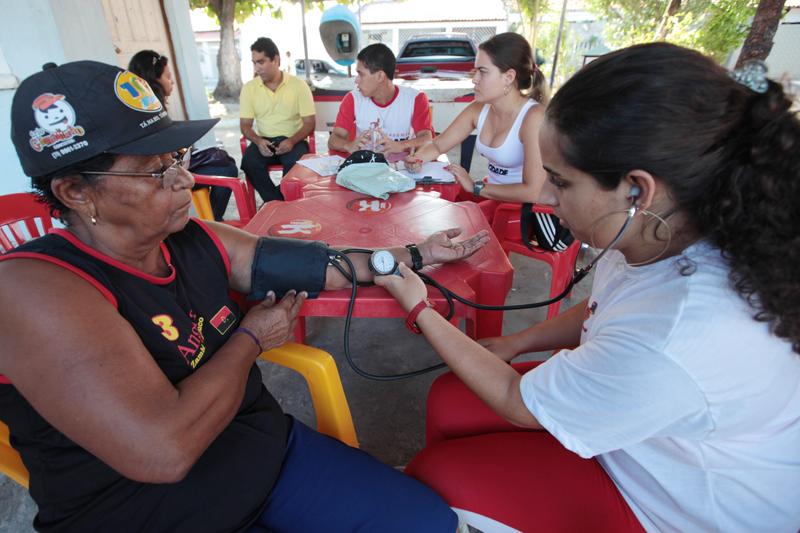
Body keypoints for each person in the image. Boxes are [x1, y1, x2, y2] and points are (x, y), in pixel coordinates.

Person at [1, 60, 491, 532]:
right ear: (75, 191)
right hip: (141, 510)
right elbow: (164, 450)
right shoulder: (32, 289)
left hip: (258, 453)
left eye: (176, 158)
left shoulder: (192, 238)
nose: (184, 180)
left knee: (431, 523)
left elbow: (324, 265)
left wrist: (415, 253)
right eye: (155, 171)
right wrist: (251, 339)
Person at [375, 43, 800, 531]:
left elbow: (517, 400)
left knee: (438, 473)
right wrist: (518, 340)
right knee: (449, 398)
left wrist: (421, 308)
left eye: (560, 181)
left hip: (669, 504)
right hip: (639, 432)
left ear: (637, 190)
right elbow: (607, 307)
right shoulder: (660, 233)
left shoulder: (676, 330)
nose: (545, 196)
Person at [405, 32, 569, 250]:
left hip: (521, 209)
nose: (474, 79)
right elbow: (438, 145)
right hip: (492, 194)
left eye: (482, 72)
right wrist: (417, 159)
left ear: (508, 77)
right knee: (434, 206)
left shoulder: (533, 118)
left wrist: (476, 187)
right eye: (475, 71)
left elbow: (533, 191)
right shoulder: (479, 109)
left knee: (449, 226)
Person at [128, 50, 236, 221]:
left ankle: (210, 218)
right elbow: (164, 160)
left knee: (224, 160)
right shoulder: (149, 115)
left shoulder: (148, 109)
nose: (172, 81)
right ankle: (211, 220)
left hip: (175, 168)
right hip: (167, 175)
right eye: (168, 77)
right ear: (154, 80)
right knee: (226, 169)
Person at [240, 37, 315, 203]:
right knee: (249, 163)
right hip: (264, 141)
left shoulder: (298, 85)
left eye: (261, 62)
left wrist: (291, 141)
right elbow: (245, 126)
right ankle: (277, 203)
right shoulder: (249, 88)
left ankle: (278, 203)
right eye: (254, 63)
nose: (257, 68)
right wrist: (258, 141)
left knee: (296, 165)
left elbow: (310, 123)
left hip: (294, 140)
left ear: (275, 60)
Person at [328, 43, 433, 160]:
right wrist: (348, 145)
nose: (356, 81)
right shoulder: (352, 99)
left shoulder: (415, 98)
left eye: (361, 74)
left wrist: (400, 145)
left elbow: (427, 139)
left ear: (380, 76)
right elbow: (333, 140)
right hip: (365, 166)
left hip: (403, 167)